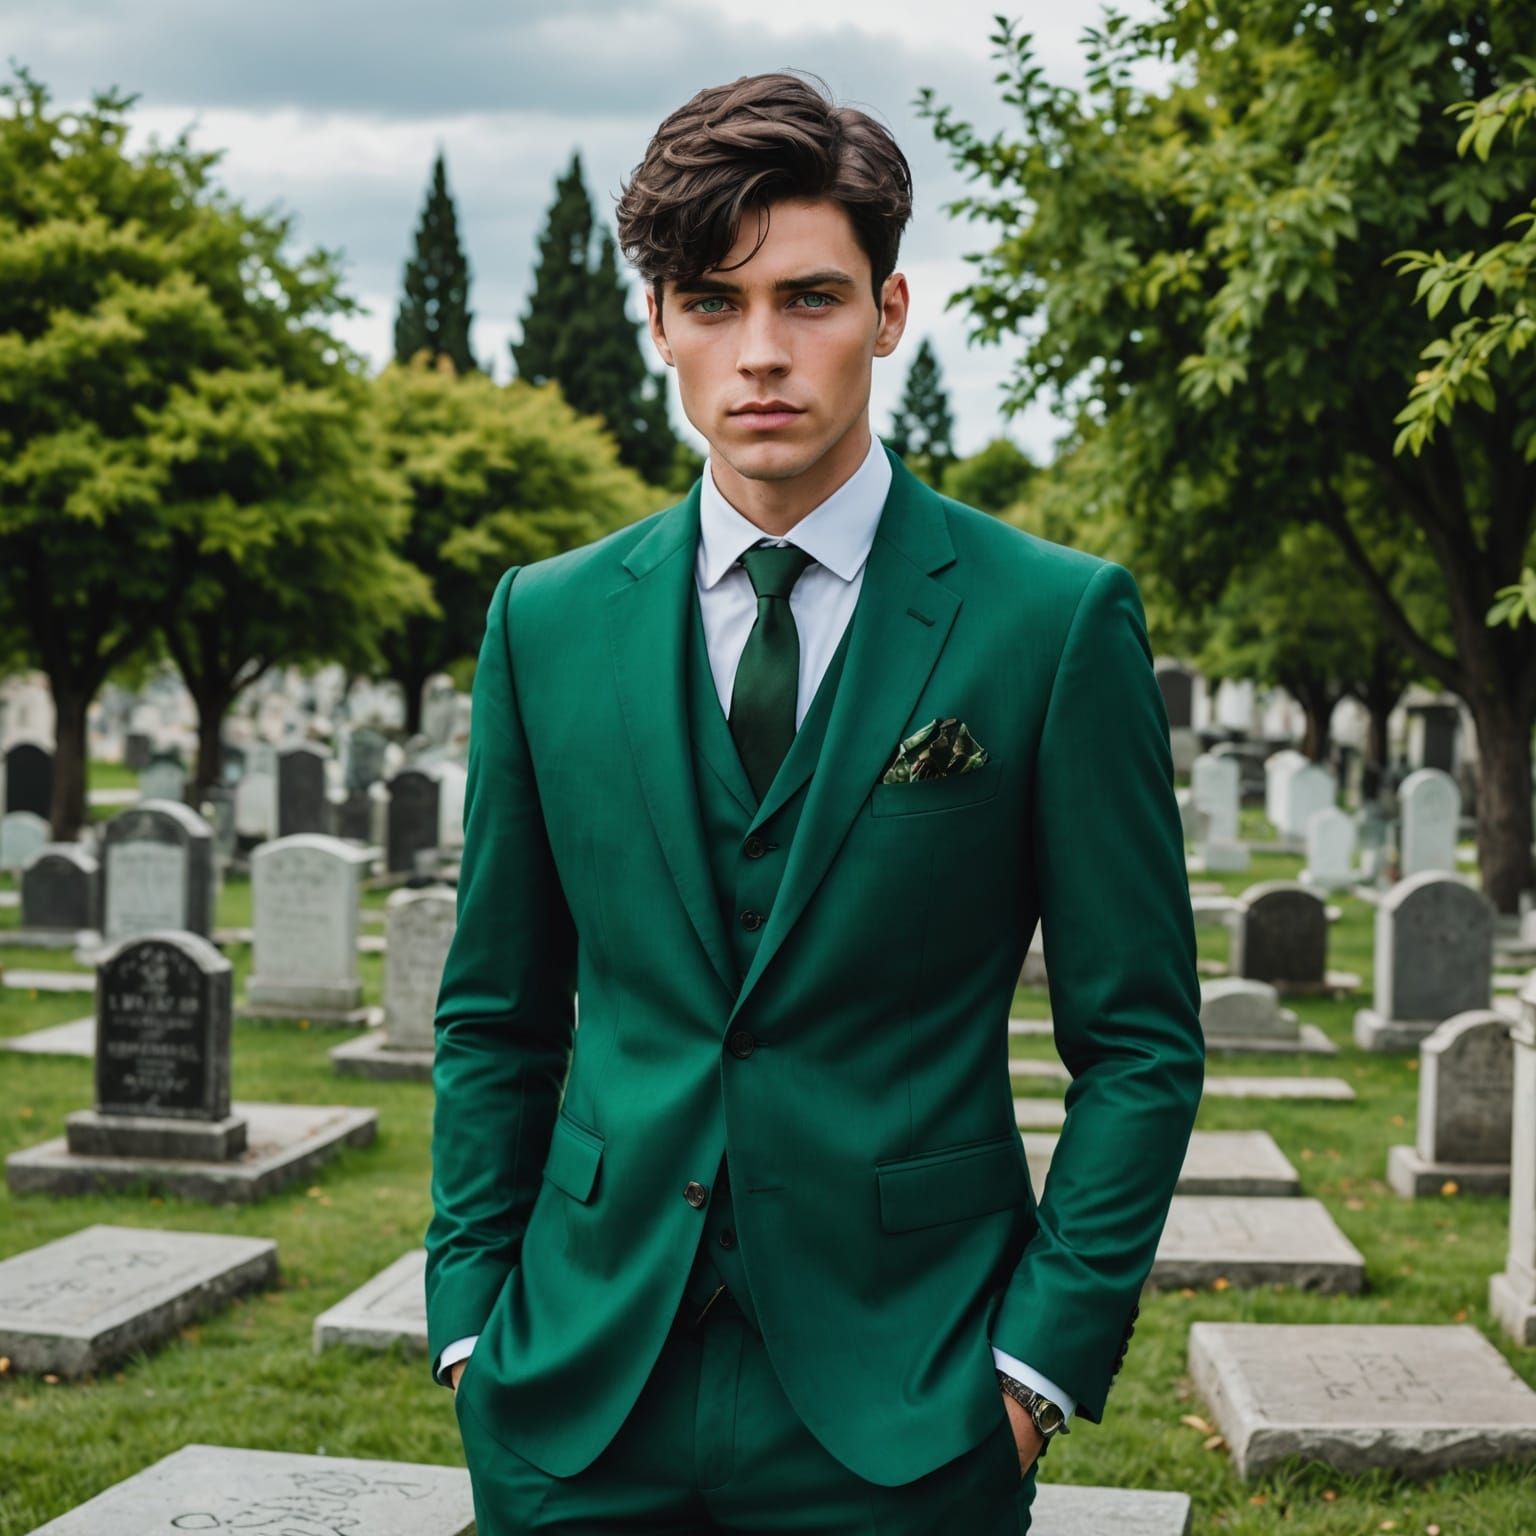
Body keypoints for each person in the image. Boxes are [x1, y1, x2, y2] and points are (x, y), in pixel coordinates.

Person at [424, 68, 1204, 1535]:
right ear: (660, 324)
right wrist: (471, 1317)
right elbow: (495, 1013)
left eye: (811, 298)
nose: (760, 353)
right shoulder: (548, 620)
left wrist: (1038, 1364)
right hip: (578, 1389)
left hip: (909, 1401)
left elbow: (1143, 1040)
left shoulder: (1051, 622)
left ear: (889, 312)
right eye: (713, 303)